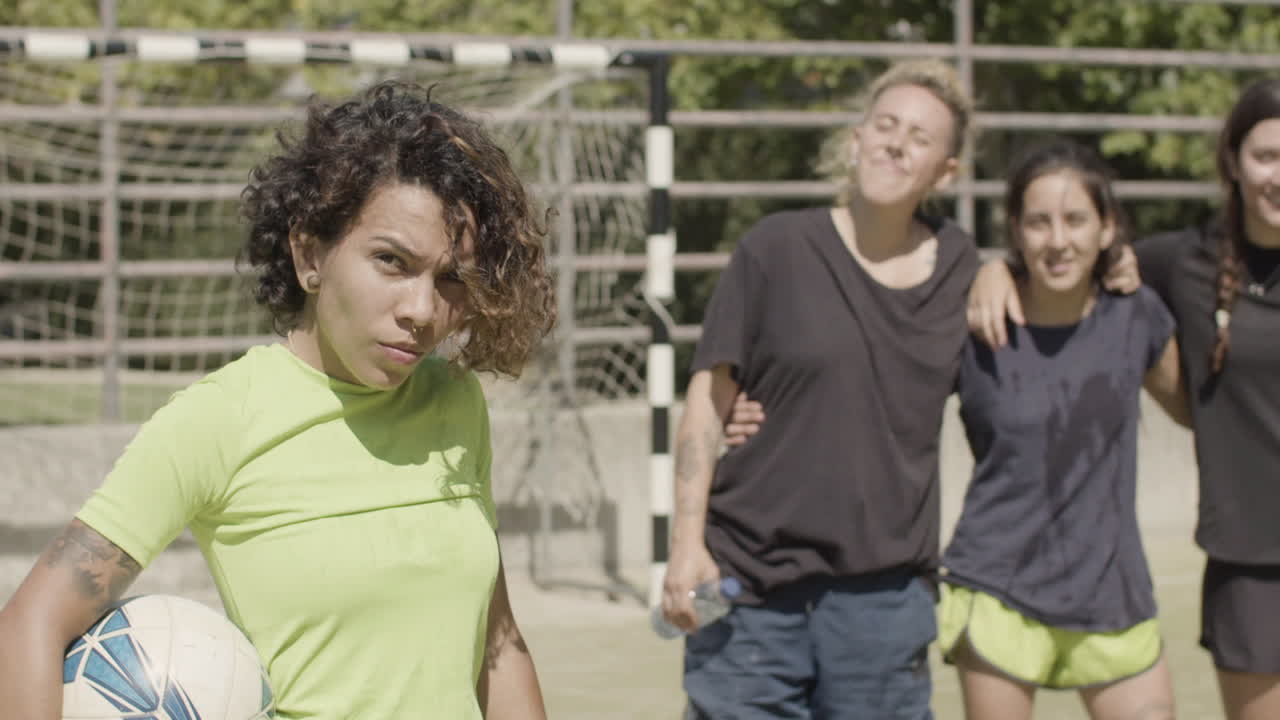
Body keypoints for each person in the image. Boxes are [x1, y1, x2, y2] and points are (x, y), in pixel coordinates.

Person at [0, 81, 554, 719]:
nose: (423, 310)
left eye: (452, 278)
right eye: (391, 262)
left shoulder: (456, 402)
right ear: (310, 254)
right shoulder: (218, 419)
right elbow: (30, 626)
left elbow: (496, 642)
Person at [660, 59, 979, 719]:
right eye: (884, 124)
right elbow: (707, 403)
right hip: (748, 594)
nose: (895, 142)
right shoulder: (774, 249)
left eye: (919, 137)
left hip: (883, 606)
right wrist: (685, 546)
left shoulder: (965, 271)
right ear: (858, 137)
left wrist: (1008, 273)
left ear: (946, 170)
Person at [965, 77, 1280, 720]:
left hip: (1129, 587)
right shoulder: (1182, 263)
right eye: (1268, 154)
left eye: (1075, 219)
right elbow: (1070, 260)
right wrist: (994, 269)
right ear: (1234, 162)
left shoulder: (1150, 290)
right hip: (1254, 561)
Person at [937, 137, 1183, 720]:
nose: (1058, 240)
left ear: (1106, 228)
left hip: (1112, 589)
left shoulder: (1138, 316)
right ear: (1016, 230)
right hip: (997, 588)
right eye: (1038, 222)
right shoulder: (977, 323)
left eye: (1076, 220)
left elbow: (1201, 410)